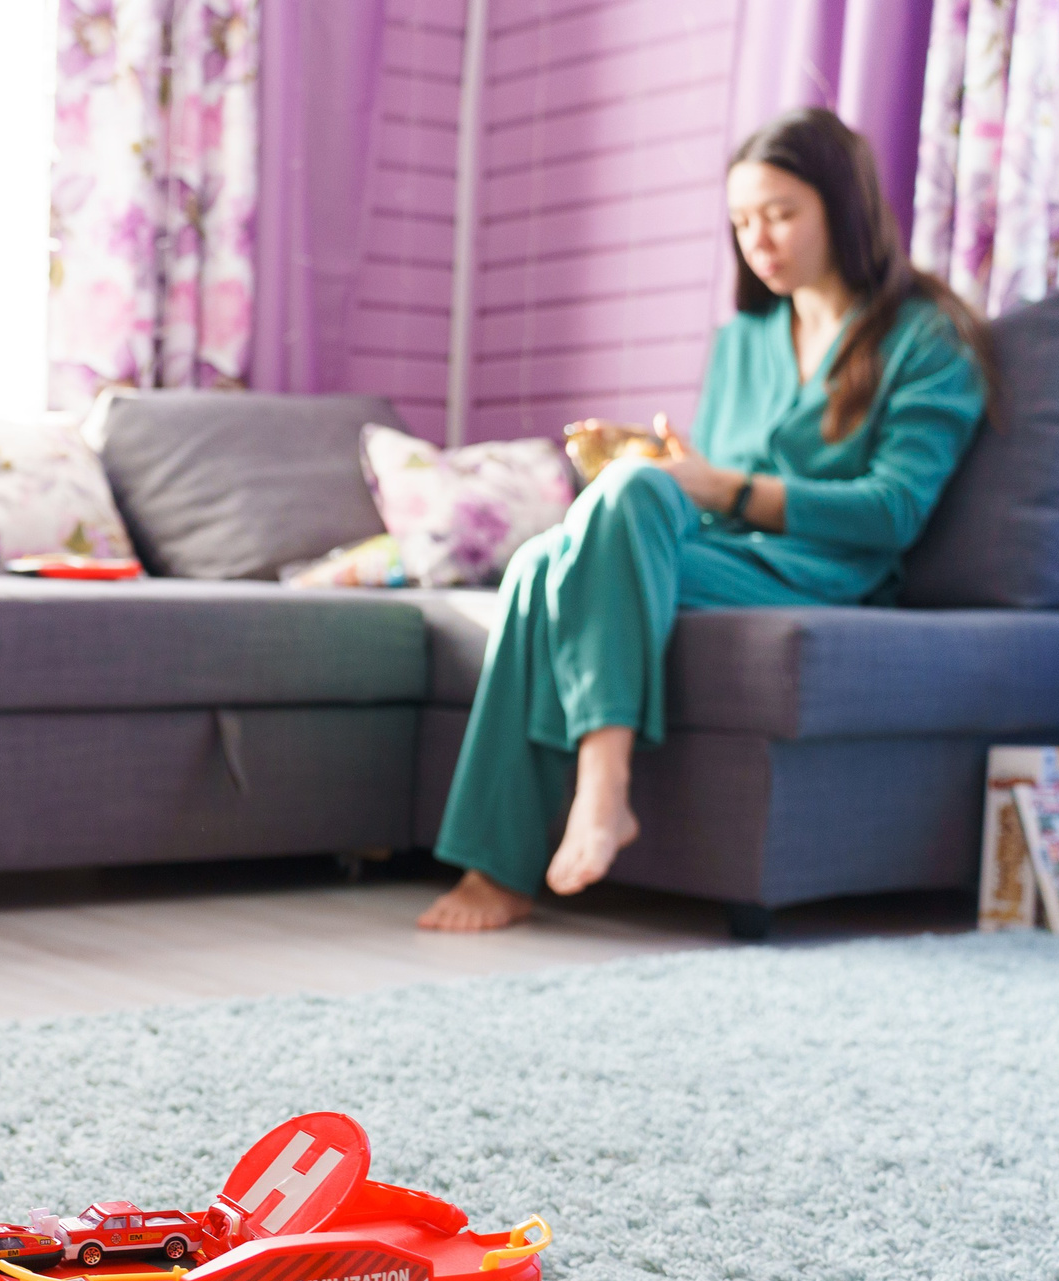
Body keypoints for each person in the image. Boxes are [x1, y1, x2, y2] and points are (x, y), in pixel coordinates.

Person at [419, 108, 994, 931]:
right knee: (545, 558)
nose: (759, 240)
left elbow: (895, 510)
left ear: (845, 205)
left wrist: (718, 486)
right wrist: (684, 474)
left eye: (782, 214)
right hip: (724, 552)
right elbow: (716, 481)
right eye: (742, 222)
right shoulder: (745, 339)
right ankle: (501, 867)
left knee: (609, 515)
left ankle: (600, 785)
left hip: (828, 568)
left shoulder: (927, 337)